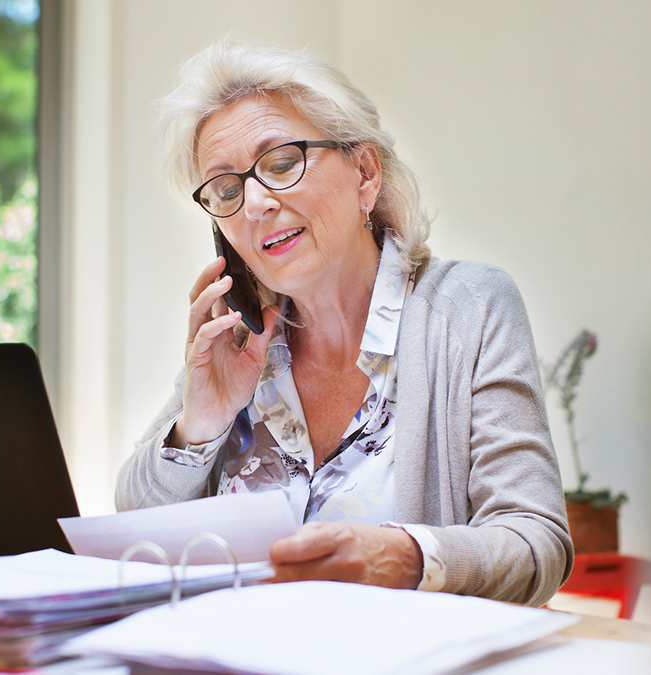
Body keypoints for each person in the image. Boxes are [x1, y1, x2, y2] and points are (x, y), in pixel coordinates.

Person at [116, 40, 572, 605]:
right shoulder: (239, 341)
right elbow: (132, 522)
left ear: (364, 173)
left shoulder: (467, 308)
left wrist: (403, 557)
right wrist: (200, 424)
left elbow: (537, 543)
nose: (255, 202)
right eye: (227, 189)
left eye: (281, 163)